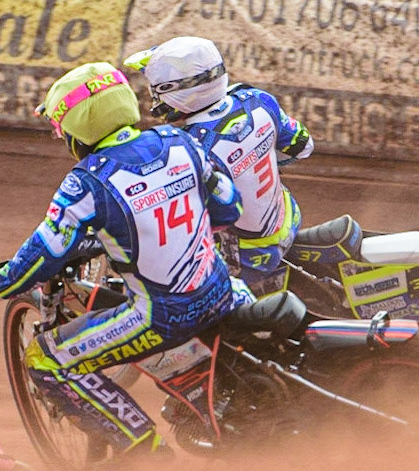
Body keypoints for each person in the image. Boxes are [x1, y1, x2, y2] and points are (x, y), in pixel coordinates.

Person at [0, 61, 246, 456]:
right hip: (225, 293)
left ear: (79, 129)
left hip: (162, 318)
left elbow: (43, 255)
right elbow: (228, 209)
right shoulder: (180, 141)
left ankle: (146, 450)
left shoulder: (86, 181)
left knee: (46, 361)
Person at [125, 37, 313, 295]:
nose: (154, 97)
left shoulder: (190, 146)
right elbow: (303, 146)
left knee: (167, 284)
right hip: (288, 220)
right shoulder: (257, 99)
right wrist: (253, 156)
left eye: (157, 90)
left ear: (179, 91)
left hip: (245, 259)